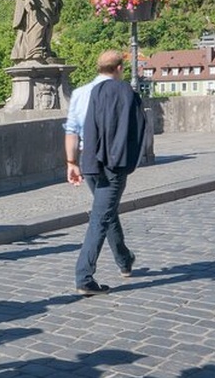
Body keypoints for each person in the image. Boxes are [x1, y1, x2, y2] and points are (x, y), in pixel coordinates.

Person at [64, 50, 145, 296]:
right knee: (100, 216)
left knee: (105, 210)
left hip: (89, 161)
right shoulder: (125, 92)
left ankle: (124, 259)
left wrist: (71, 162)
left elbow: (72, 130)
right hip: (113, 163)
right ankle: (84, 276)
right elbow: (136, 130)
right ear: (119, 68)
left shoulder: (80, 93)